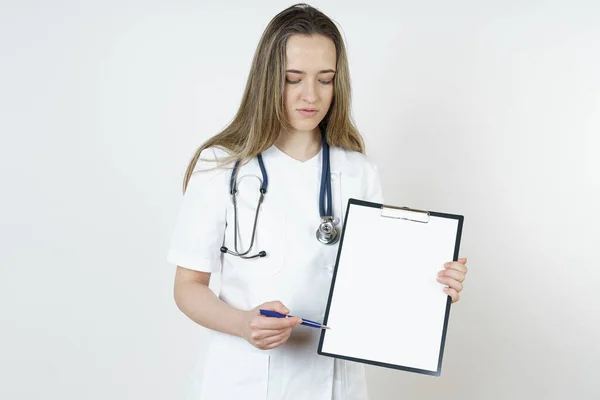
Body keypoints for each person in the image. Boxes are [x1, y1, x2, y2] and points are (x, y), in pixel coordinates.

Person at [167, 3, 468, 399]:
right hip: (243, 381)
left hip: (334, 383)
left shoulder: (357, 170)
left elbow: (378, 282)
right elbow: (188, 286)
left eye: (325, 80)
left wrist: (434, 285)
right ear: (268, 79)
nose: (311, 95)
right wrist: (243, 323)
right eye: (294, 79)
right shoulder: (222, 165)